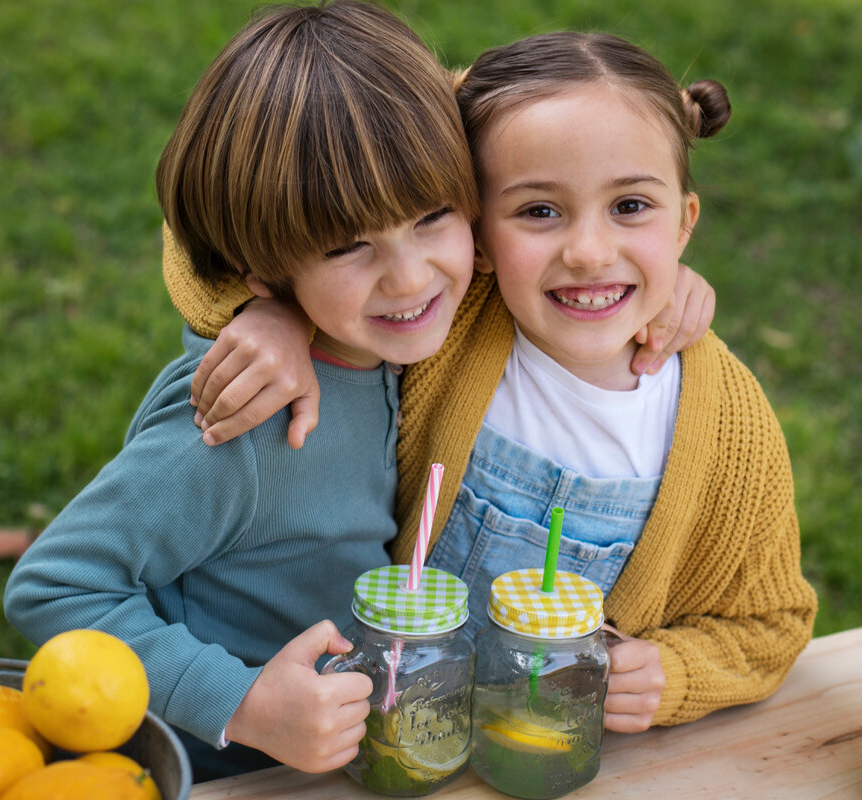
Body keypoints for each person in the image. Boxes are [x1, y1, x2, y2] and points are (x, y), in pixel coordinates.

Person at [164, 30, 818, 735]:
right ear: (473, 231)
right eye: (539, 210)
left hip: (546, 766)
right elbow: (234, 199)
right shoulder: (446, 322)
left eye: (631, 207)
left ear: (685, 222)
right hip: (375, 750)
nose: (590, 252)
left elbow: (772, 622)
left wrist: (678, 672)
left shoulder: (728, 426)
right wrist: (269, 311)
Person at [3, 1, 481, 781]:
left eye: (433, 216)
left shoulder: (385, 339)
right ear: (264, 276)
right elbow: (55, 586)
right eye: (347, 246)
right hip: (223, 771)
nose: (409, 275)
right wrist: (245, 700)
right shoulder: (247, 428)